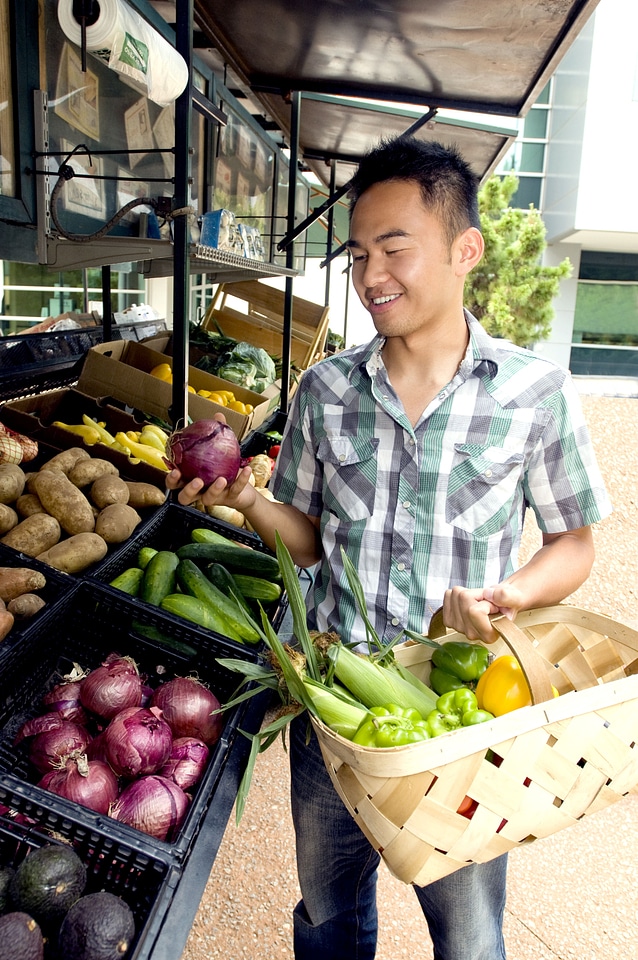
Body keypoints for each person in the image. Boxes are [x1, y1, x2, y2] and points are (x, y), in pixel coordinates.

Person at [167, 136, 612, 960]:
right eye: (359, 252)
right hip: (330, 703)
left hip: (459, 719)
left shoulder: (533, 393)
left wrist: (512, 594)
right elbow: (304, 544)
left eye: (395, 248)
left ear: (464, 249)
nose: (372, 275)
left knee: (470, 935)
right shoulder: (326, 390)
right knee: (329, 917)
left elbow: (573, 543)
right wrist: (249, 501)